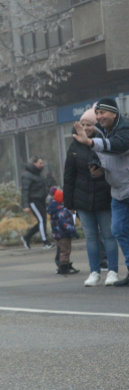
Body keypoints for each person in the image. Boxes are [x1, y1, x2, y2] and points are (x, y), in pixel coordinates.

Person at [73, 97, 129, 286]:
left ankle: (116, 270)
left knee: (115, 231)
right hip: (117, 191)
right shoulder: (103, 132)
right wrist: (98, 165)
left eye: (102, 112)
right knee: (118, 229)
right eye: (97, 113)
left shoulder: (124, 128)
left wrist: (90, 142)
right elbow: (105, 156)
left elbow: (119, 147)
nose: (99, 116)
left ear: (114, 113)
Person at [64, 108, 119, 286]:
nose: (86, 127)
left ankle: (112, 271)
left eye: (89, 124)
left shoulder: (104, 143)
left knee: (109, 235)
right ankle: (94, 272)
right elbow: (69, 176)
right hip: (82, 199)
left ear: (96, 126)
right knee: (91, 237)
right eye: (83, 124)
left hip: (104, 196)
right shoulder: (74, 146)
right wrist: (69, 202)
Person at [20, 155, 53, 249]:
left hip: (41, 200)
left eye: (42, 163)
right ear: (34, 163)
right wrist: (25, 205)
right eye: (40, 163)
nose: (42, 165)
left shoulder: (39, 174)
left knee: (42, 221)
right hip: (33, 200)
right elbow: (25, 190)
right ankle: (45, 242)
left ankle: (26, 237)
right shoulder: (27, 175)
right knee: (42, 220)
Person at [48, 189, 79, 275]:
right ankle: (64, 266)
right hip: (63, 234)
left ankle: (65, 265)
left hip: (60, 234)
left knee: (64, 249)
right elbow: (65, 224)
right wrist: (73, 231)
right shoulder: (61, 212)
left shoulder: (56, 209)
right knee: (65, 250)